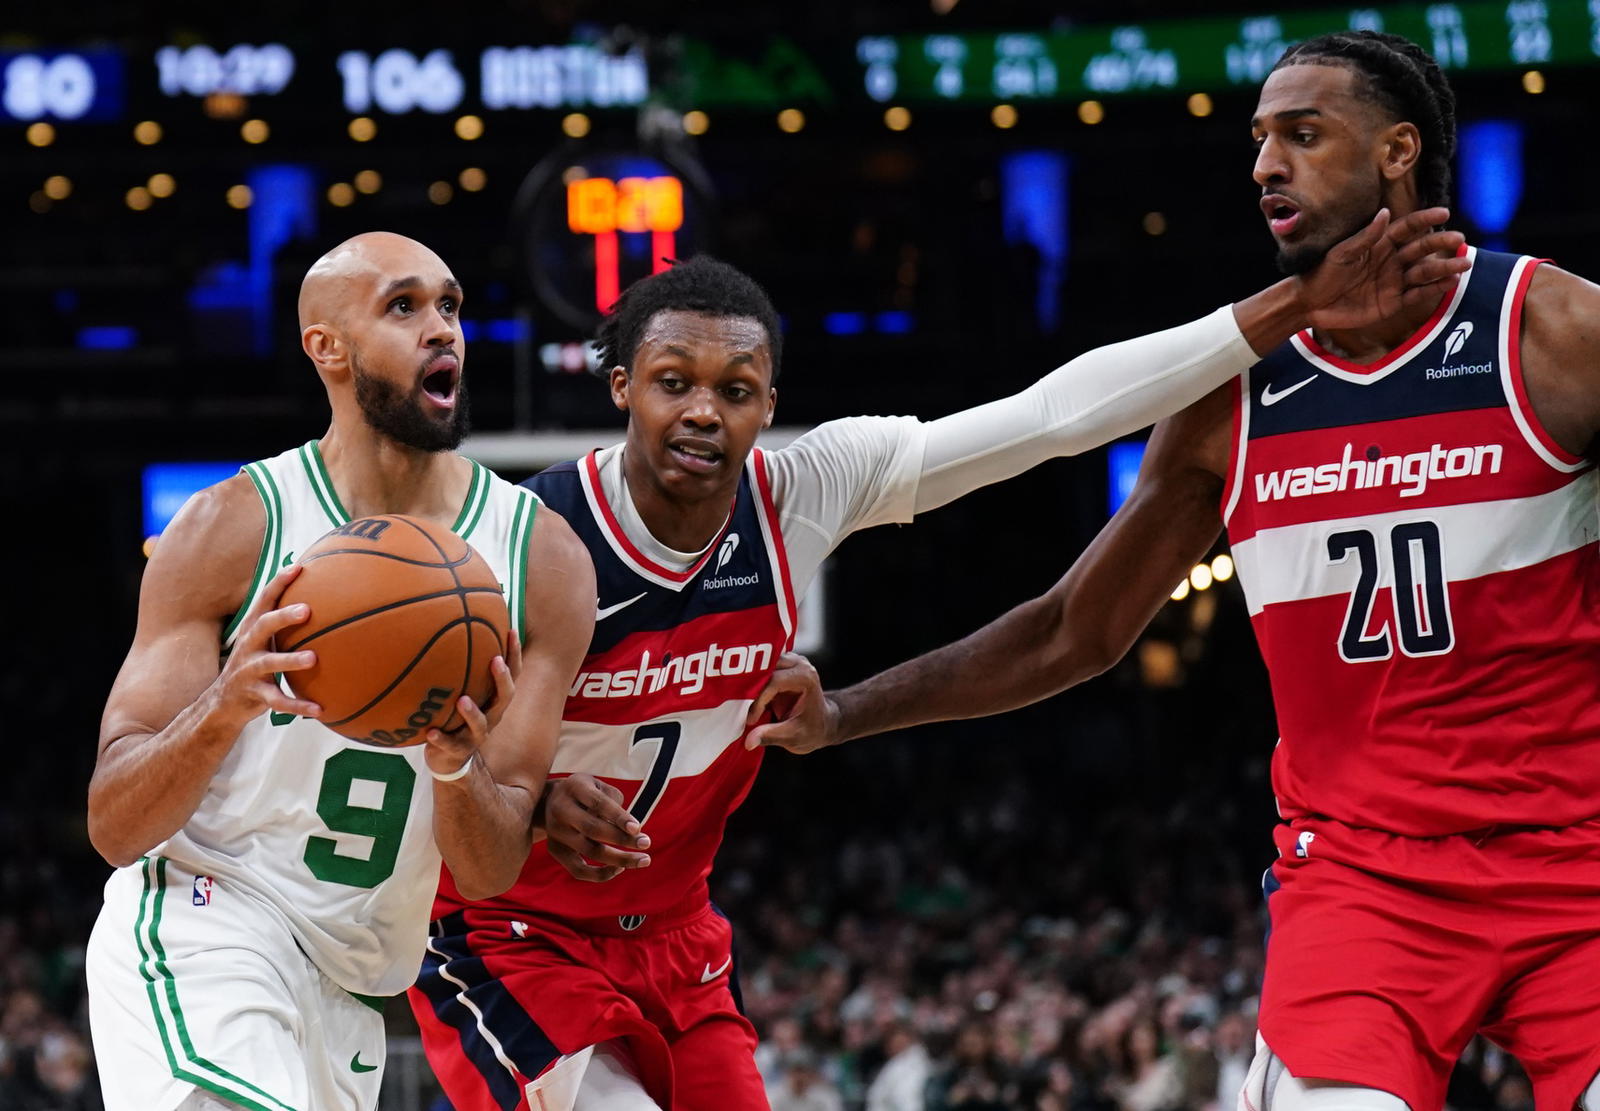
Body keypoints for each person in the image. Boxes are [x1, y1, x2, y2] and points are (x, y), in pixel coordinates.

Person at [409, 218, 1467, 1111]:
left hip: (680, 933)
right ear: (619, 386)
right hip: (510, 930)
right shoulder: (524, 537)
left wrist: (1288, 306)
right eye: (672, 382)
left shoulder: (802, 491)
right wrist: (534, 792)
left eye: (736, 388)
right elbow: (422, 739)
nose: (702, 410)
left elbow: (1052, 418)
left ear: (769, 405)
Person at [746, 30, 1600, 1111]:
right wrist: (845, 714)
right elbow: (1072, 631)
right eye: (1256, 141)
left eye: (1301, 134)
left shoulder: (1555, 333)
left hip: (1574, 858)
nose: (1262, 166)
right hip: (1361, 884)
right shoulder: (1229, 394)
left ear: (1397, 151)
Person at [83, 232, 594, 1111]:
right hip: (206, 923)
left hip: (354, 985)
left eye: (450, 306)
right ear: (327, 347)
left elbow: (486, 869)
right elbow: (113, 823)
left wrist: (454, 764)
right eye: (404, 307)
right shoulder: (231, 527)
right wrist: (223, 704)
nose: (443, 330)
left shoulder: (540, 561)